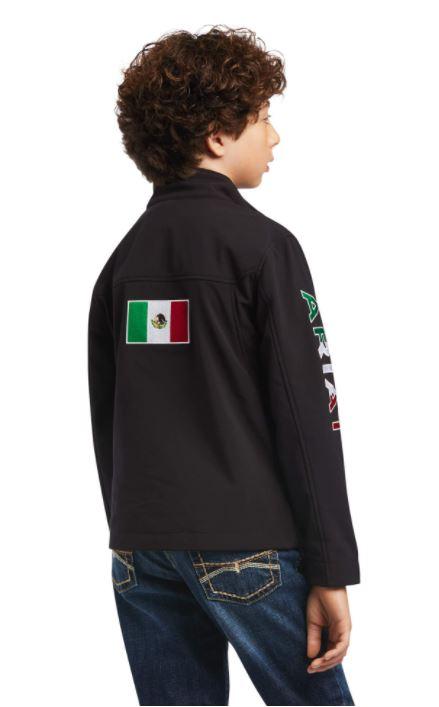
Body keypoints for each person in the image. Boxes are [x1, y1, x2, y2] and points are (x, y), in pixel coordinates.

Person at [88, 25, 360, 706]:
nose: (274, 137)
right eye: (263, 118)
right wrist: (330, 566)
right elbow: (309, 413)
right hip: (247, 545)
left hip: (141, 551)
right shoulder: (264, 248)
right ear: (217, 136)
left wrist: (132, 531)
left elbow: (107, 417)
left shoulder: (121, 263)